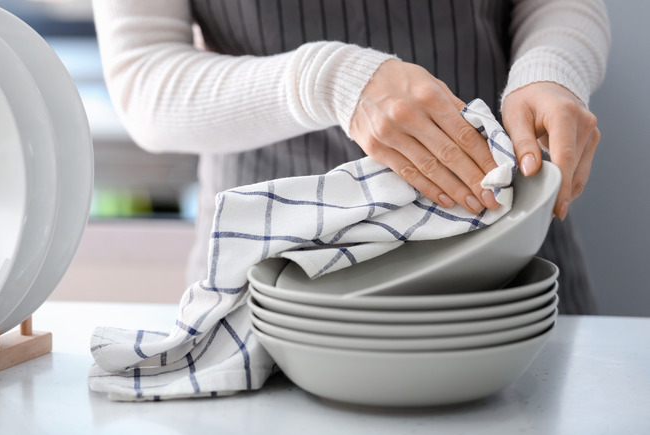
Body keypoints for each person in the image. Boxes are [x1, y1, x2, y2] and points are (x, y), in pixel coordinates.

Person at [92, 0, 609, 314]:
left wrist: (551, 68)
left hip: (507, 254)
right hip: (276, 274)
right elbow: (143, 80)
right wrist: (329, 79)